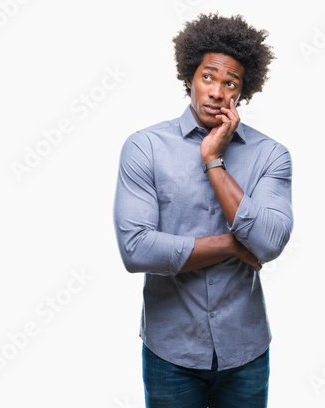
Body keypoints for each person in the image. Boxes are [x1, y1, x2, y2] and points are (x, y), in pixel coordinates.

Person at [113, 13, 293, 408]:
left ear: (242, 94)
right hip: (170, 350)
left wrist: (213, 160)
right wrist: (232, 245)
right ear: (189, 79)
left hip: (245, 349)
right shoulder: (146, 148)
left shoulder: (270, 155)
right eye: (208, 77)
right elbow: (136, 249)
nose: (216, 91)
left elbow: (268, 242)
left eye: (230, 83)